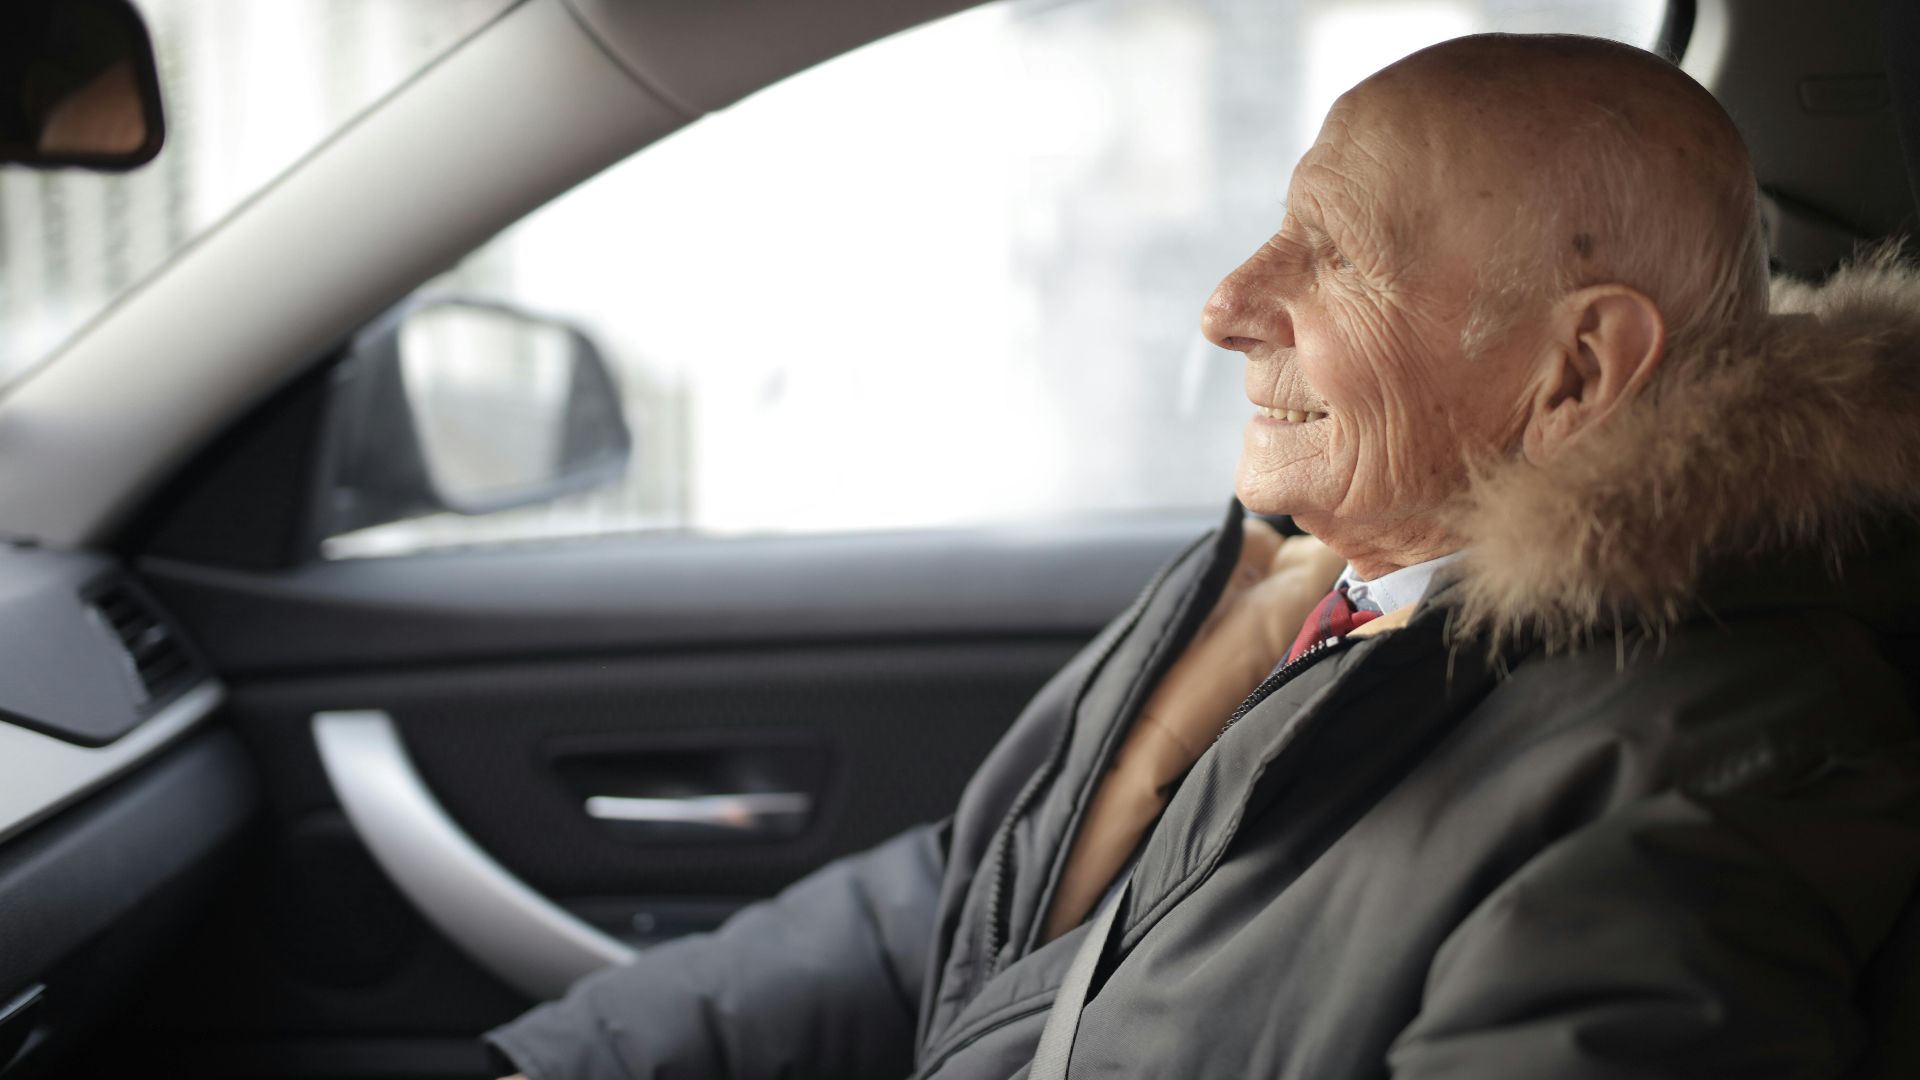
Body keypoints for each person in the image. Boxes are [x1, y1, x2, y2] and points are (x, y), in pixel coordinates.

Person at [487, 32, 1920, 1080]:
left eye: (1336, 254)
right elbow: (986, 907)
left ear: (1579, 370)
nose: (1229, 303)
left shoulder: (1716, 770)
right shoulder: (1300, 579)